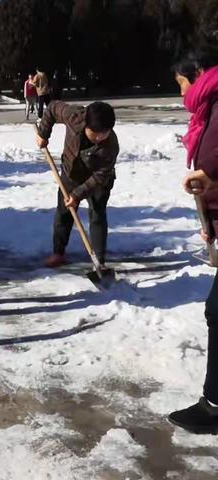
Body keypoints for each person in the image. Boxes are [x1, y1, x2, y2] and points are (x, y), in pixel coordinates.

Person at [168, 51, 218, 434]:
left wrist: (210, 178)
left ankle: (215, 405)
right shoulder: (210, 105)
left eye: (182, 83)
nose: (182, 92)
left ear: (197, 74)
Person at [35, 101, 119, 268]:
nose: (100, 138)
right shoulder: (73, 116)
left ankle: (99, 261)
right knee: (63, 213)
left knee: (97, 214)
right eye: (95, 134)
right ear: (86, 124)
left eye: (105, 133)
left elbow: (100, 176)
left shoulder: (111, 146)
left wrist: (77, 195)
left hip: (97, 182)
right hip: (70, 173)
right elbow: (52, 108)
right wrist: (44, 133)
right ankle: (58, 253)